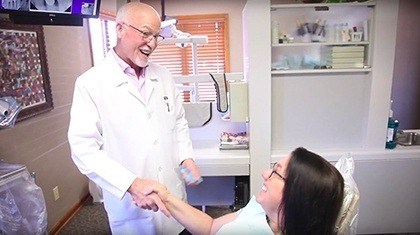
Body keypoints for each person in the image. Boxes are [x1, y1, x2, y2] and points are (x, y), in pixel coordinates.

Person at [67, 2, 201, 234]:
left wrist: (185, 157)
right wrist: (131, 184)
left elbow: (178, 123)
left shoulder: (164, 76)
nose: (153, 43)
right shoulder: (90, 83)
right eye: (146, 33)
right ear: (120, 29)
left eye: (157, 36)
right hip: (132, 209)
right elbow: (83, 149)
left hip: (174, 202)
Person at [145, 147, 344, 234]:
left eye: (276, 172)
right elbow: (210, 228)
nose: (265, 173)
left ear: (296, 194)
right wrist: (167, 198)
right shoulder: (261, 210)